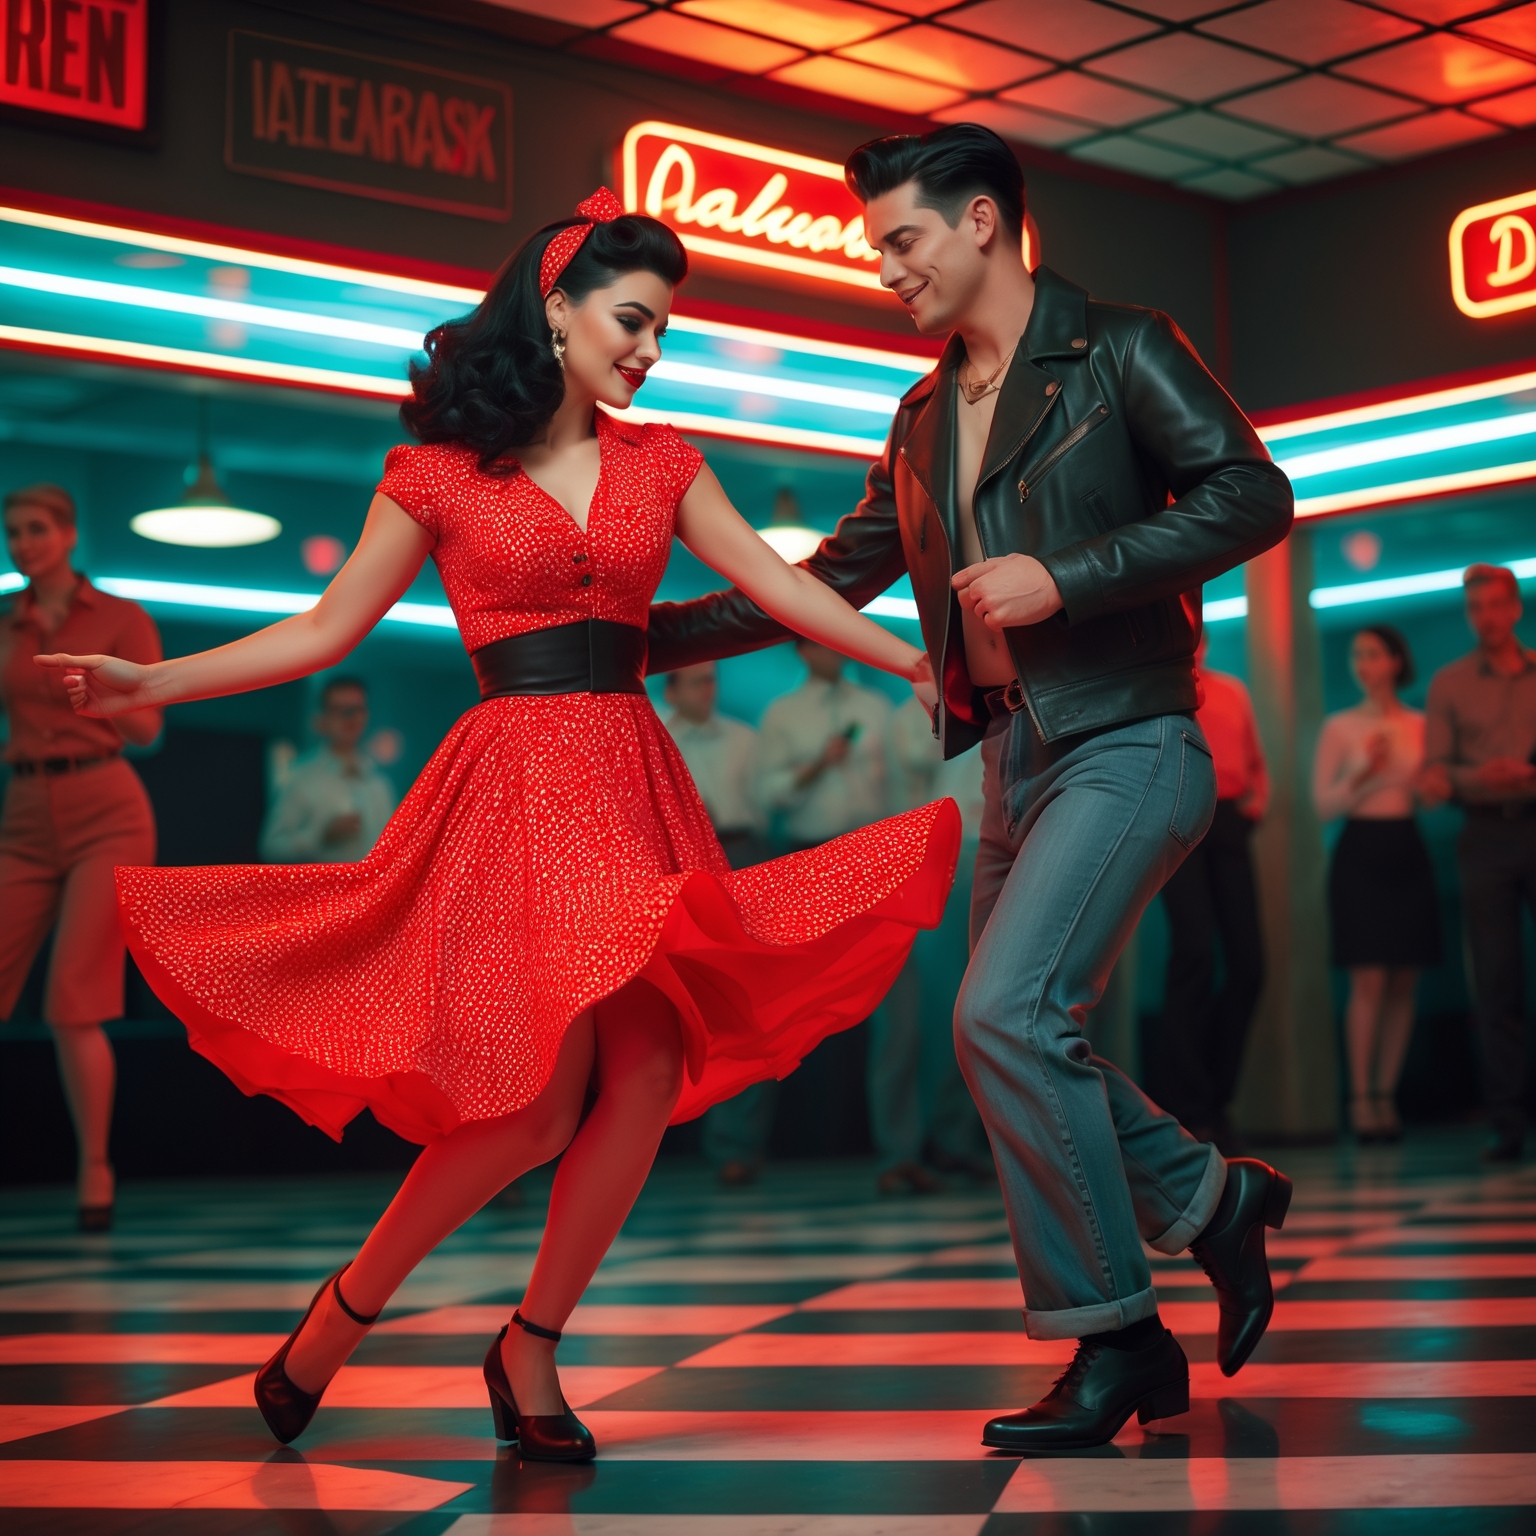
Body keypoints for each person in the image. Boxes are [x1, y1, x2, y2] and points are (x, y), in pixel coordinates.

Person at [38, 190, 957, 1462]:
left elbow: (777, 587)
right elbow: (323, 630)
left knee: (642, 1078)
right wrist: (155, 681)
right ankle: (340, 1318)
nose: (648, 349)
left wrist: (909, 659)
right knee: (528, 1110)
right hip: (515, 786)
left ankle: (531, 1344)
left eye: (662, 331)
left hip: (631, 784)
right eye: (632, 320)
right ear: (558, 307)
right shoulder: (435, 471)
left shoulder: (666, 463)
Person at [646, 123, 1295, 1449]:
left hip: (1129, 737)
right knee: (1004, 1034)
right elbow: (824, 578)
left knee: (1005, 1014)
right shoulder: (923, 413)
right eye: (877, 244)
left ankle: (1113, 1338)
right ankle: (1213, 1209)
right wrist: (641, 635)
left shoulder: (1121, 348)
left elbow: (1250, 495)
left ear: (986, 221)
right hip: (1007, 755)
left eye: (903, 239)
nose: (886, 267)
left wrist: (1074, 574)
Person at [0, 483, 161, 1230]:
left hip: (107, 807)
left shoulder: (121, 619)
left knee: (74, 997)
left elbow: (149, 731)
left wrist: (108, 697)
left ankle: (94, 1167)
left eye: (35, 529)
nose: (22, 543)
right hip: (25, 810)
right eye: (13, 532)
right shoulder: (9, 627)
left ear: (67, 535)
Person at [757, 637, 941, 1194]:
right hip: (807, 860)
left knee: (900, 1011)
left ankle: (900, 1153)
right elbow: (766, 794)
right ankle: (743, 1151)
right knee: (776, 1009)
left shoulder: (876, 711)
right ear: (801, 651)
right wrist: (814, 767)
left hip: (871, 858)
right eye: (819, 644)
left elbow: (903, 786)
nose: (832, 652)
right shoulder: (782, 715)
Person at [1423, 565, 1536, 1163]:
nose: (1487, 617)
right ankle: (1507, 1121)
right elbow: (1435, 775)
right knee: (1495, 981)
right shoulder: (1450, 683)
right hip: (1485, 837)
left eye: (1496, 606)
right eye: (1476, 609)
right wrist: (1481, 778)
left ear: (1515, 609)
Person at [1314, 626, 1438, 1145]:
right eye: (1356, 656)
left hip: (1407, 845)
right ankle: (1361, 1100)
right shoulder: (1339, 727)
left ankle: (1387, 1095)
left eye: (1372, 654)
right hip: (1359, 852)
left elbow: (1430, 797)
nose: (1363, 664)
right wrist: (1366, 771)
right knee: (1367, 981)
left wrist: (1430, 783)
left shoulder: (1421, 724)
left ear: (1394, 661)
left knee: (1404, 979)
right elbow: (1322, 806)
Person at [660, 661, 773, 1185]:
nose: (708, 689)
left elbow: (768, 804)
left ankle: (738, 1146)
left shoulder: (745, 739)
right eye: (696, 680)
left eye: (712, 680)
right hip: (677, 866)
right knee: (685, 1008)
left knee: (746, 1001)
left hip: (742, 854)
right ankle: (663, 1140)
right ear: (672, 687)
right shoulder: (653, 735)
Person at [1155, 634, 1267, 1153]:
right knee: (1194, 953)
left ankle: (1216, 1099)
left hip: (1230, 821)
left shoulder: (1232, 690)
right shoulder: (1159, 690)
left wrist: (1254, 806)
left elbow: (1255, 762)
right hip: (1178, 816)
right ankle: (1190, 1107)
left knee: (1249, 964)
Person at [890, 691, 991, 1180]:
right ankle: (935, 1139)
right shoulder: (924, 702)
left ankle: (963, 1137)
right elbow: (911, 771)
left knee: (990, 1003)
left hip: (1001, 844)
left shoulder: (1013, 692)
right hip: (947, 851)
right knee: (943, 1005)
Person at [260, 675, 397, 863]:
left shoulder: (380, 784)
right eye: (340, 710)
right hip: (326, 891)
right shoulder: (301, 777)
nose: (350, 717)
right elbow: (271, 847)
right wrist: (319, 837)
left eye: (357, 709)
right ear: (323, 718)